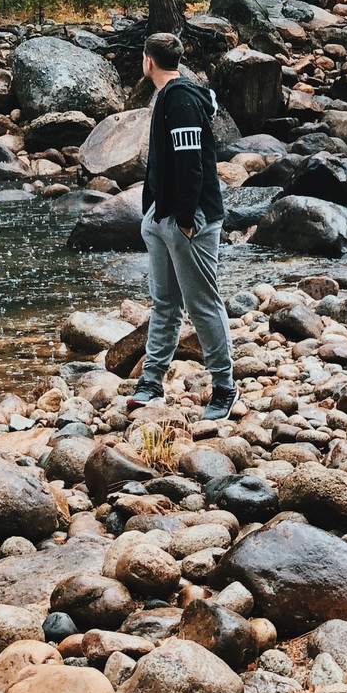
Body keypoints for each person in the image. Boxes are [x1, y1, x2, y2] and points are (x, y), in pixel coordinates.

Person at [135, 31, 235, 418]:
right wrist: (152, 212)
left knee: (202, 304)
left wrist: (188, 220)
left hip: (189, 221)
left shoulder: (180, 102)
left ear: (148, 62)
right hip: (163, 217)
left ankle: (225, 387)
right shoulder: (168, 96)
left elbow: (191, 163)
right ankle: (151, 380)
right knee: (165, 302)